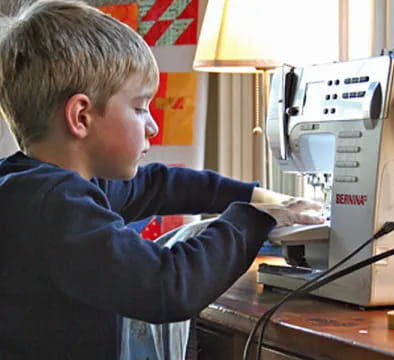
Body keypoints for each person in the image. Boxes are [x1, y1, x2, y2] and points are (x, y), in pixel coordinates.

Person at [0, 0, 323, 359]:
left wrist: (261, 196)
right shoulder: (55, 207)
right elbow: (168, 286)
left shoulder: (34, 187)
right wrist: (254, 219)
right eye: (140, 108)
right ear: (81, 117)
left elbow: (159, 185)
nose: (152, 125)